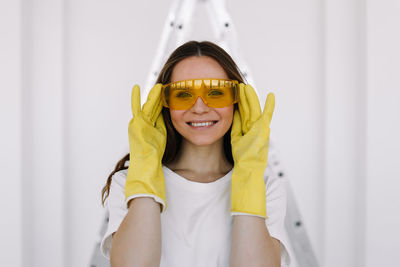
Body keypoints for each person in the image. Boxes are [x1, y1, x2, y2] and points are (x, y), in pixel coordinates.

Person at [100, 41, 291, 267]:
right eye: (183, 94)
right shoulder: (128, 183)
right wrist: (145, 168)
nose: (199, 107)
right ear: (164, 104)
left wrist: (248, 175)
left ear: (237, 99)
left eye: (216, 92)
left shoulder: (267, 188)